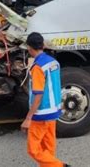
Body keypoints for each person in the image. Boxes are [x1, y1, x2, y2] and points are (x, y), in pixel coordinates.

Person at [21, 32, 69, 167]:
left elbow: (38, 93)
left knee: (33, 149)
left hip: (41, 113)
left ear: (29, 47)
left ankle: (60, 165)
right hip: (54, 111)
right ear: (42, 45)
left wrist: (28, 118)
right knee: (48, 146)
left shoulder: (37, 67)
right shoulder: (54, 62)